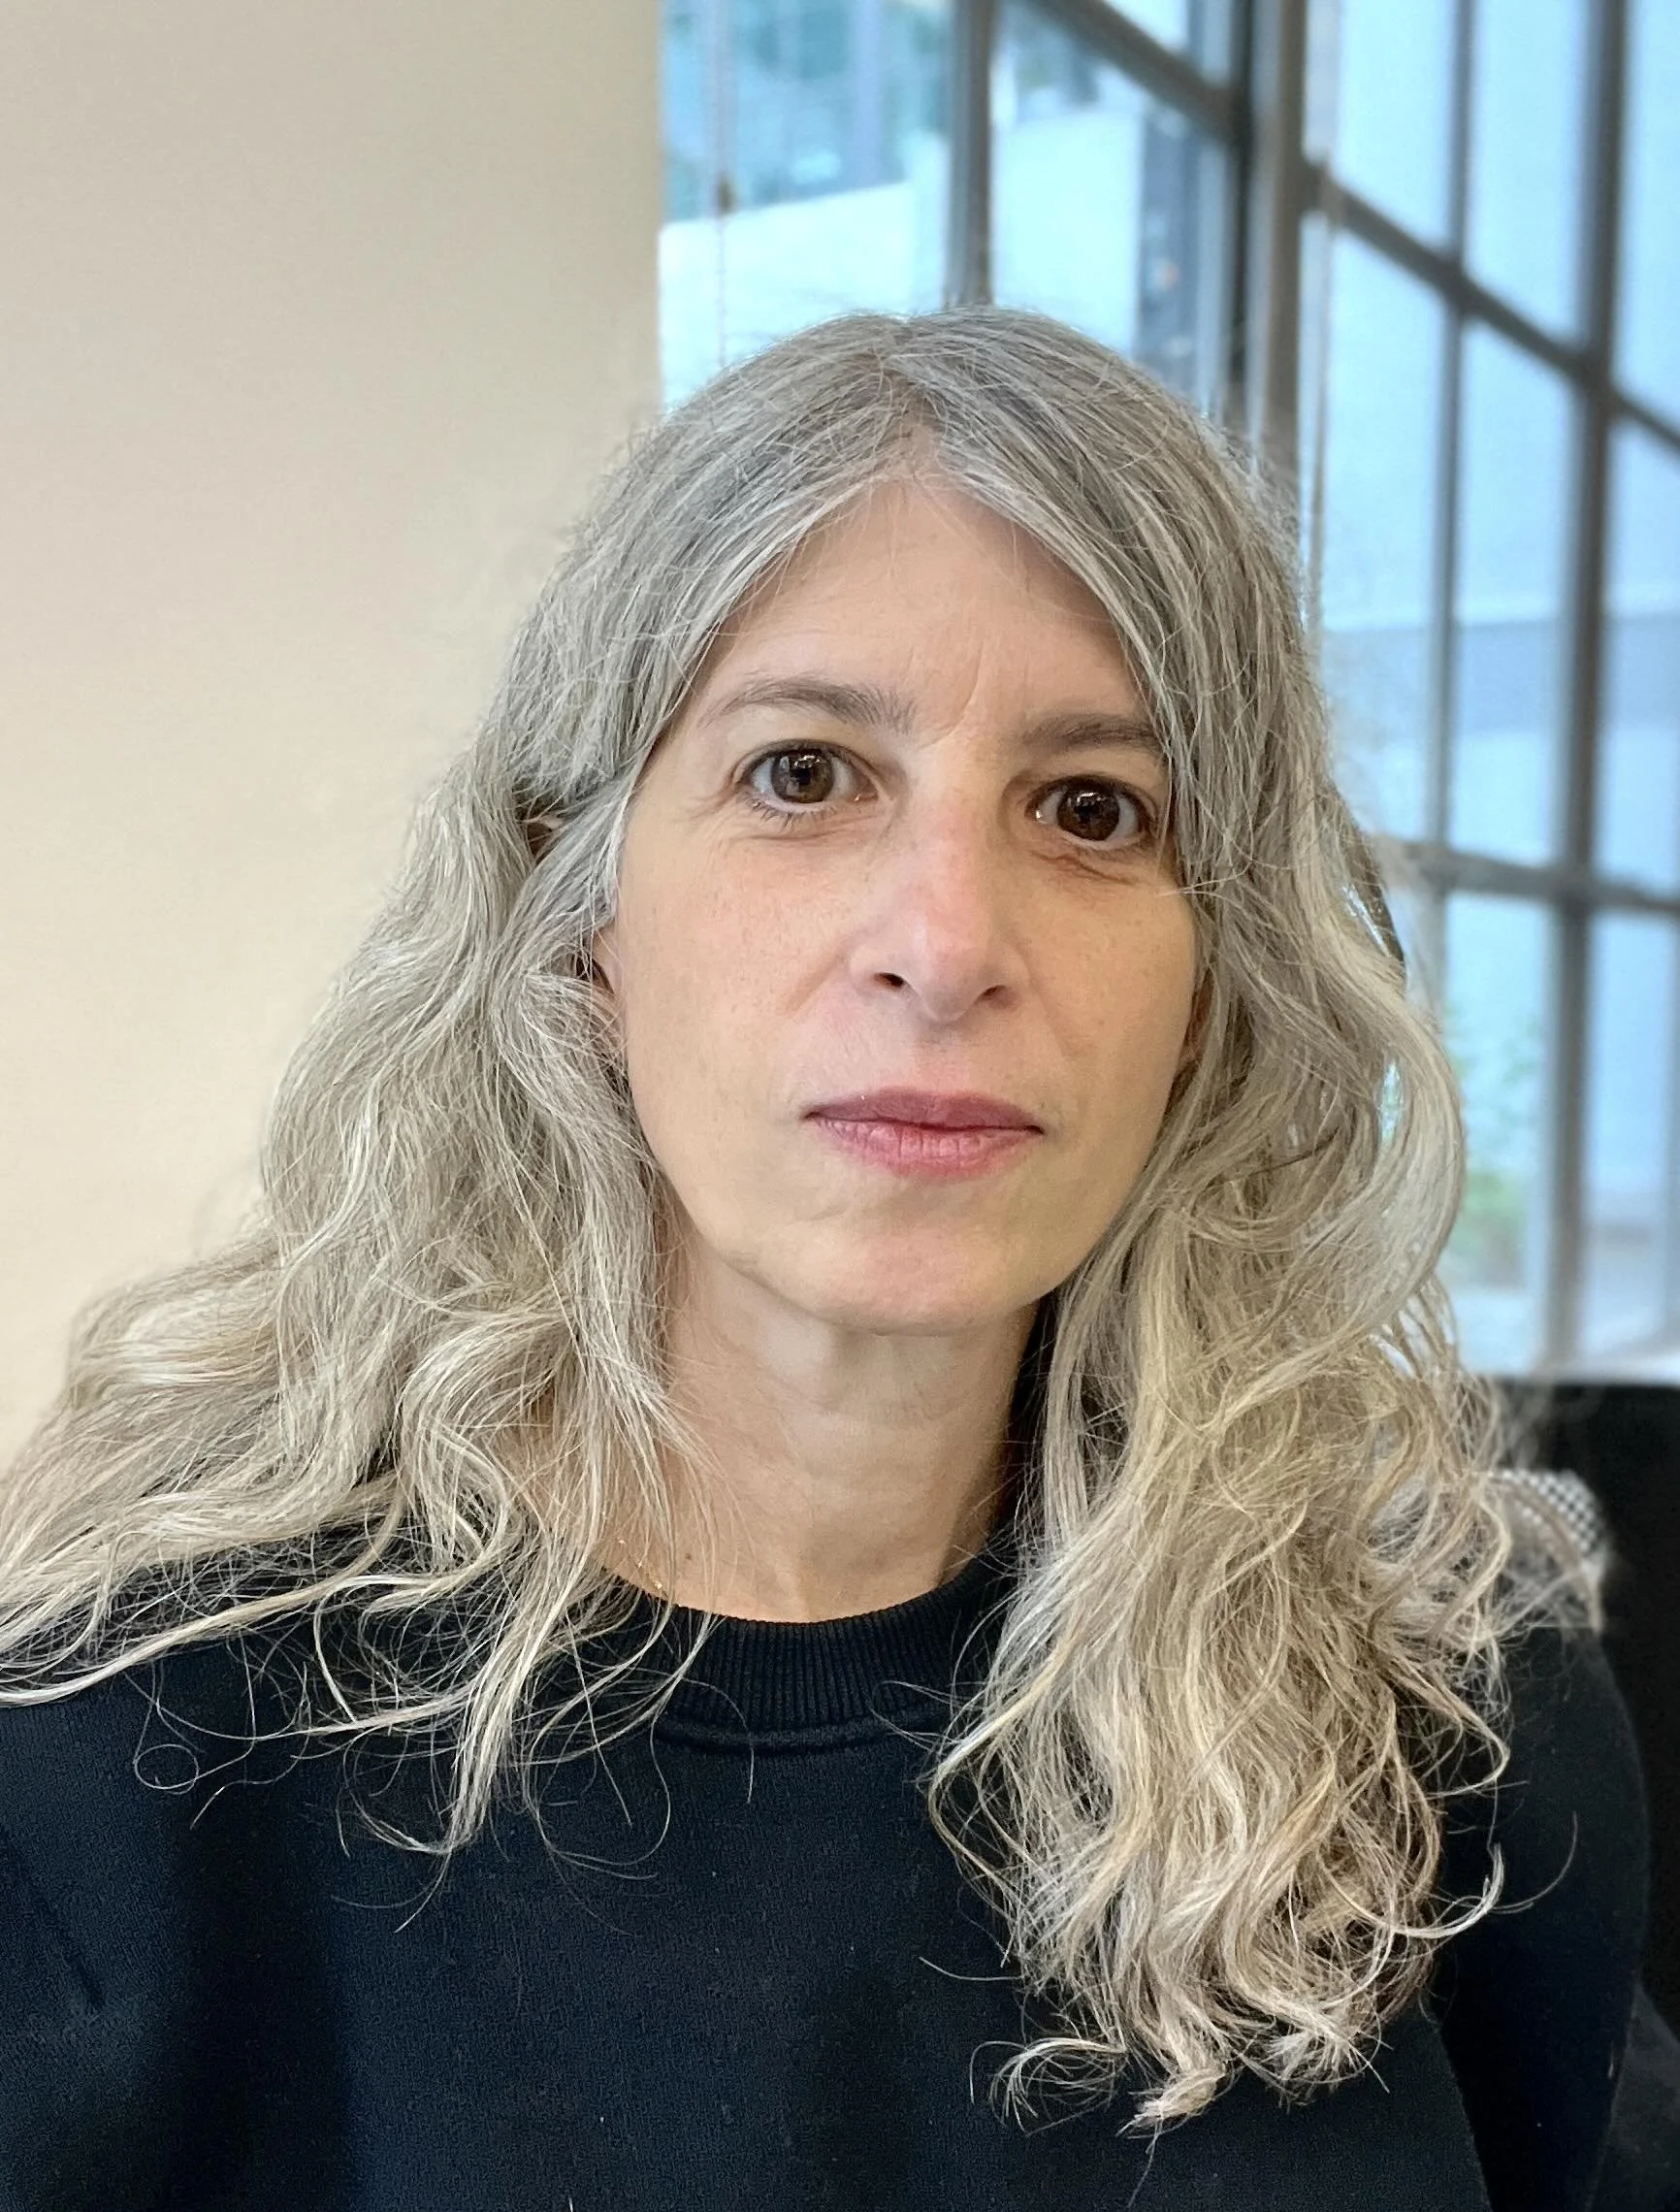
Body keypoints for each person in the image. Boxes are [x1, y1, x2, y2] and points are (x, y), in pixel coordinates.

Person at [0, 305, 1673, 2212]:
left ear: (1213, 984)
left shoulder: (1440, 1721)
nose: (944, 940)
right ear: (577, 909)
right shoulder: (114, 1774)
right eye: (803, 776)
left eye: (1090, 809)